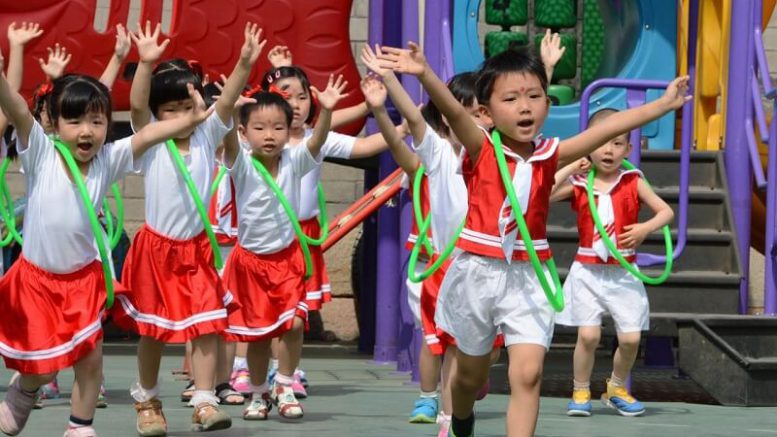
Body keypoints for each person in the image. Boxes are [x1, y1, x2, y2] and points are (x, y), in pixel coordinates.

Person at [379, 42, 689, 436]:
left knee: (527, 374)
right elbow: (455, 111)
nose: (525, 107)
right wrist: (423, 72)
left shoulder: (549, 154)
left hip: (529, 277)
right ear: (487, 114)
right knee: (468, 378)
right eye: (510, 98)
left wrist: (662, 106)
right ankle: (460, 417)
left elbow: (609, 127)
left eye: (534, 96)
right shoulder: (480, 148)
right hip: (477, 273)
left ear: (547, 103)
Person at [0, 43, 214, 435]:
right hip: (36, 282)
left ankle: (80, 427)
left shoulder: (108, 159)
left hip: (83, 282)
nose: (87, 131)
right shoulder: (41, 155)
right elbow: (14, 108)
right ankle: (24, 389)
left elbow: (151, 132)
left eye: (97, 122)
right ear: (55, 124)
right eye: (76, 122)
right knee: (43, 365)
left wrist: (192, 120)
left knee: (90, 359)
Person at [109, 21, 264, 435]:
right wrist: (145, 64)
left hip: (196, 251)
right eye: (170, 111)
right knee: (154, 333)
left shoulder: (207, 135)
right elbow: (138, 106)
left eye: (186, 108)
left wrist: (245, 62)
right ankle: (147, 401)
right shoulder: (152, 141)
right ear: (159, 117)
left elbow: (227, 102)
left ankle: (205, 399)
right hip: (156, 251)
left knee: (208, 326)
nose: (180, 117)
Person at [220, 75, 347, 421]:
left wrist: (328, 112)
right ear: (246, 134)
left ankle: (286, 384)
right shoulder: (241, 164)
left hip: (289, 259)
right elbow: (229, 141)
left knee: (293, 325)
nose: (270, 135)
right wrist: (231, 112)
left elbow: (316, 142)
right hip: (250, 264)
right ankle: (259, 394)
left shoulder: (294, 160)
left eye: (278, 127)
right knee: (259, 336)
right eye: (259, 128)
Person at [550, 109, 674, 417]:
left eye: (618, 143)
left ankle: (616, 387)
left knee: (631, 338)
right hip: (588, 271)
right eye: (603, 141)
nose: (609, 150)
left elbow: (665, 211)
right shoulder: (580, 182)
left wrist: (645, 229)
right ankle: (580, 389)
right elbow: (542, 194)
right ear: (589, 144)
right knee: (588, 336)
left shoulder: (632, 180)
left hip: (622, 272)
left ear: (628, 150)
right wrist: (568, 167)